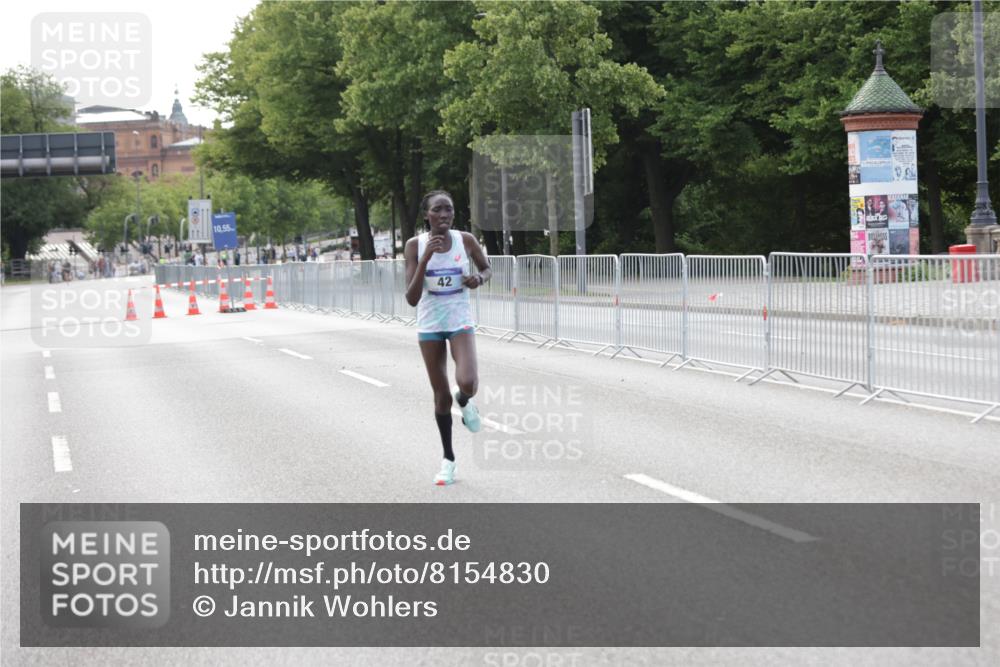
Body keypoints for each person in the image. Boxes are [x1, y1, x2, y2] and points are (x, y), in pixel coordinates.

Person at [405, 190, 492, 486]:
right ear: (426, 215)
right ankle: (448, 460)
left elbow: (486, 268)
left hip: (459, 321)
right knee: (440, 396)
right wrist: (426, 257)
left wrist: (478, 279)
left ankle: (465, 400)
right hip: (430, 325)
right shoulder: (414, 246)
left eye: (449, 210)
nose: (444, 215)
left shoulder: (465, 240)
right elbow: (411, 298)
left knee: (467, 381)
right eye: (438, 210)